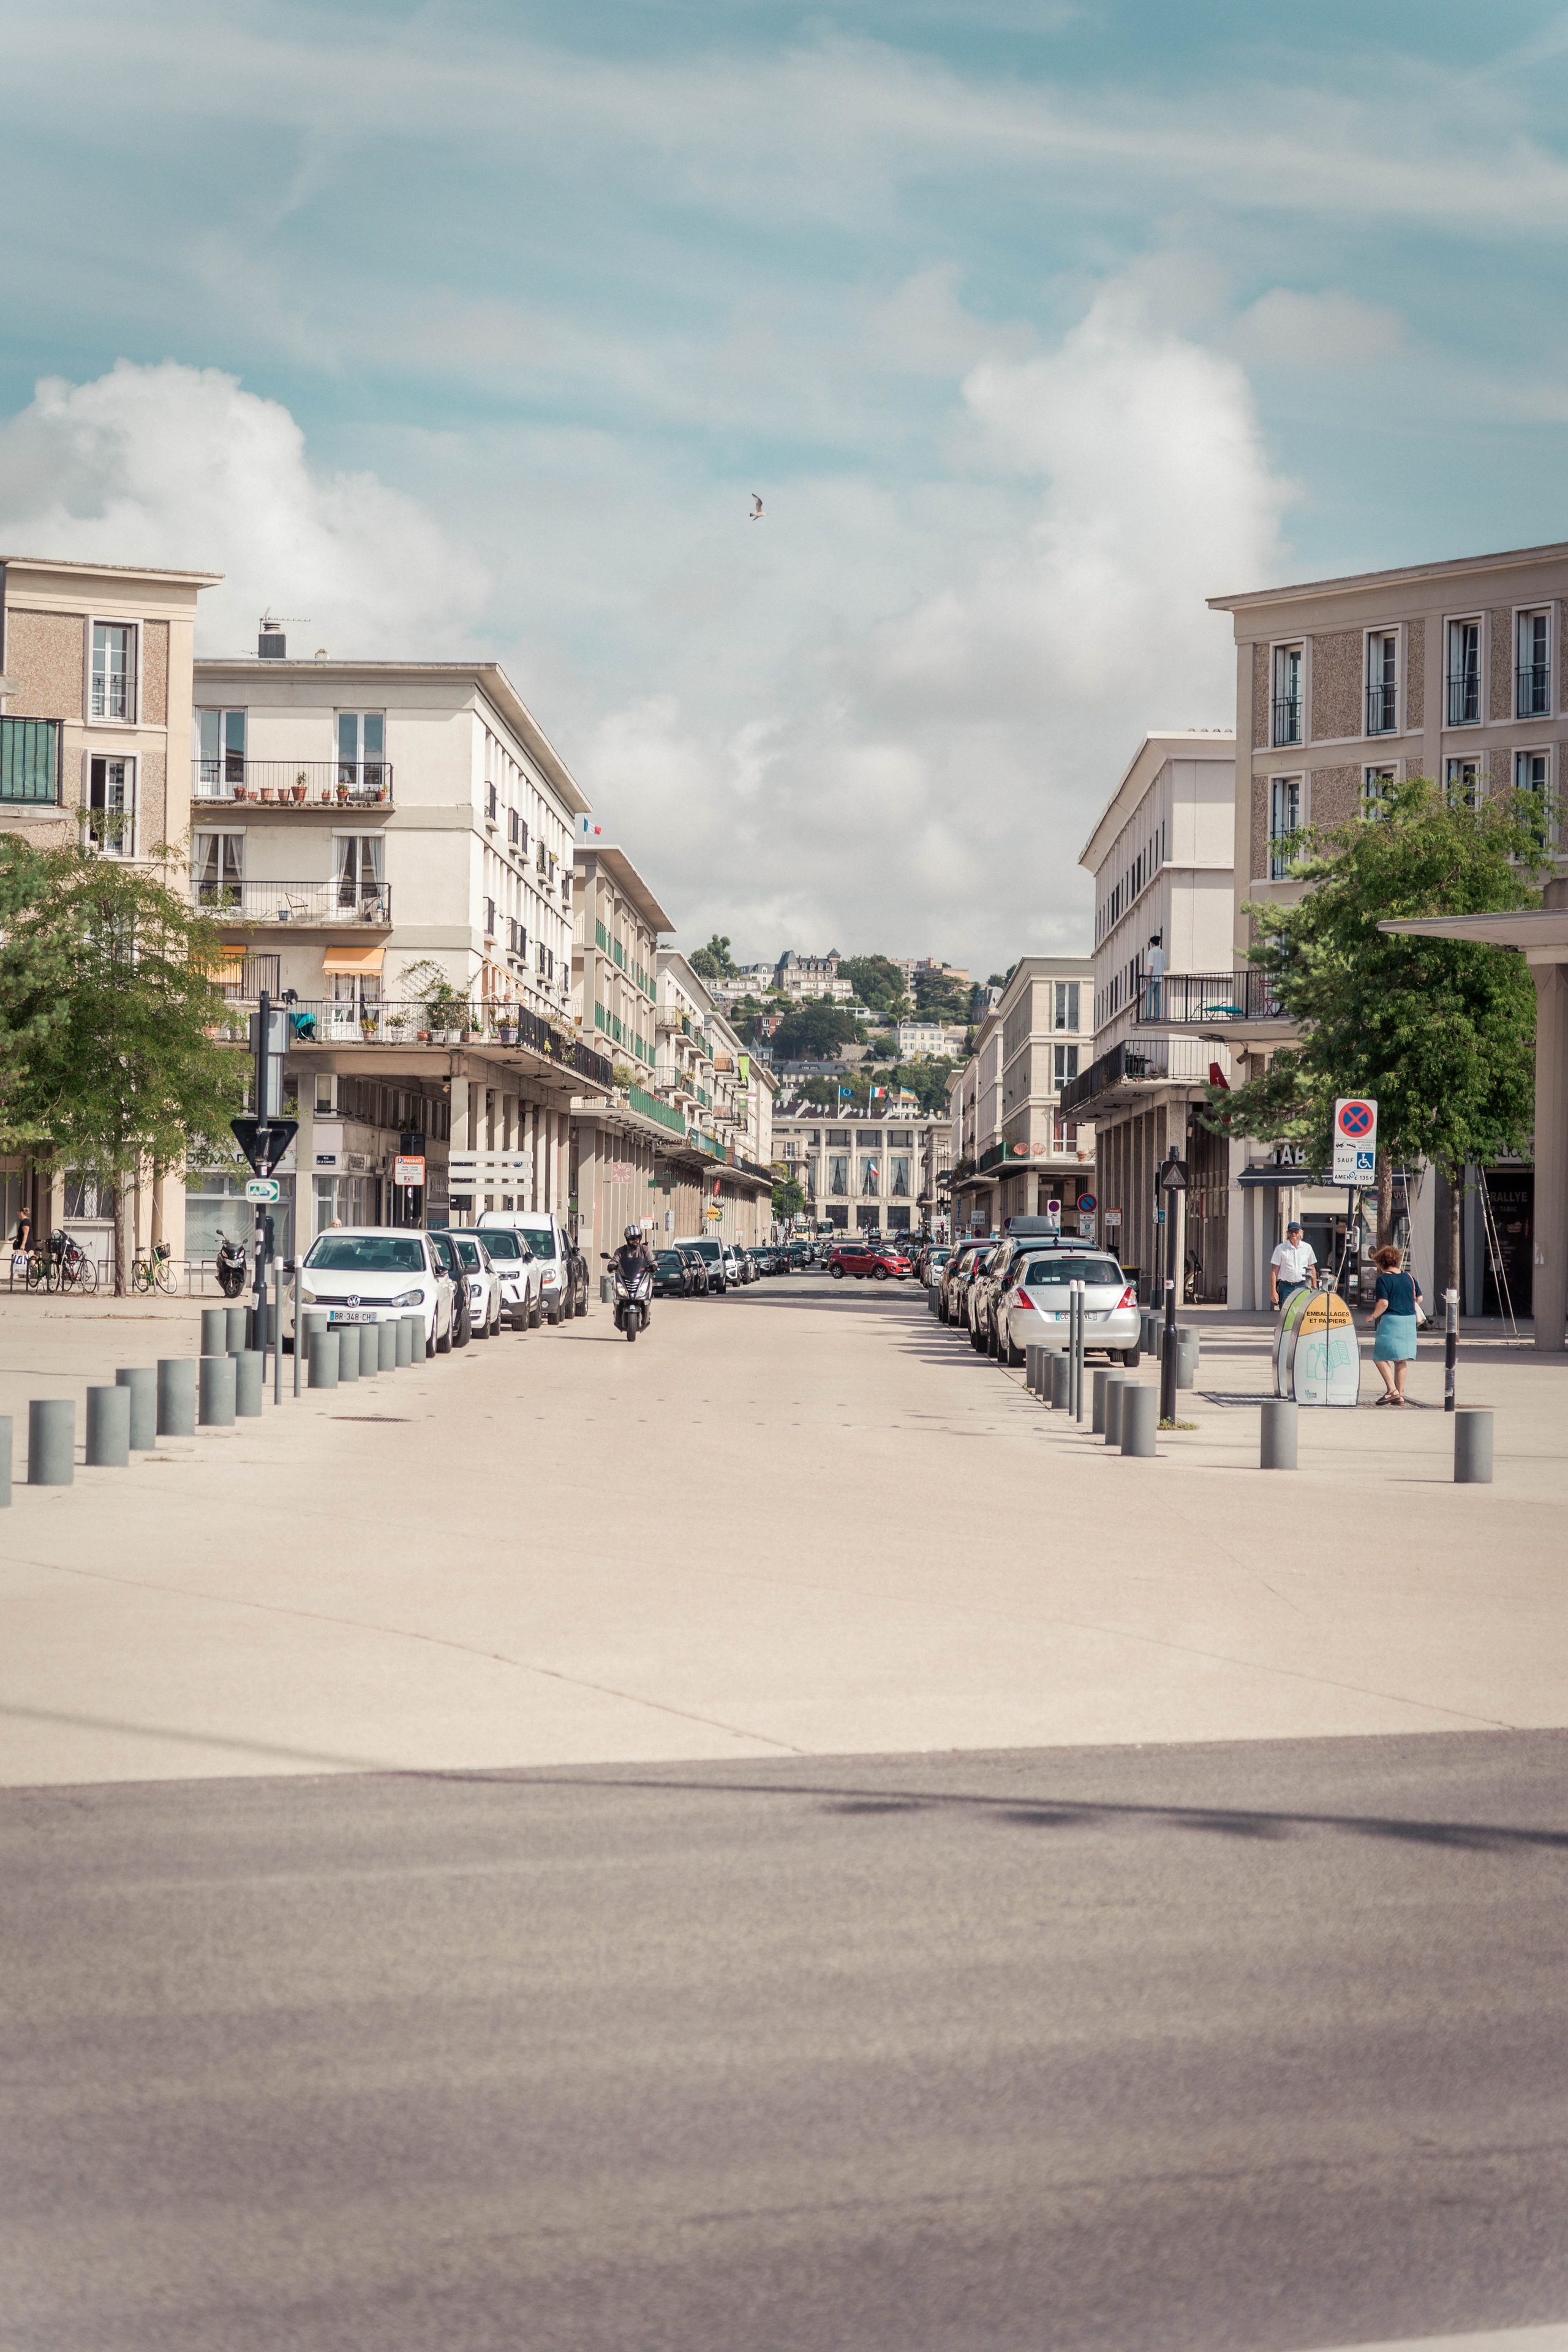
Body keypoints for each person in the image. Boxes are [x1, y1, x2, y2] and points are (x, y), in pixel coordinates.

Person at [1367, 1243, 1422, 1404]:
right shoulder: (1409, 1277)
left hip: (1392, 1320)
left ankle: (1392, 1391)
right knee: (1401, 1359)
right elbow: (1419, 1298)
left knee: (1379, 1357)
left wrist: (1373, 1316)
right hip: (1409, 1320)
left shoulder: (1383, 1280)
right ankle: (1401, 1395)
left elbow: (1384, 1303)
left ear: (1381, 1263)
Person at [1270, 1221, 1318, 1313]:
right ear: (1287, 1233)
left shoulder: (1307, 1248)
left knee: (1302, 1313)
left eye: (1296, 1231)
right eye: (1291, 1232)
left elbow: (1312, 1267)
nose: (1293, 1234)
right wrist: (1273, 1291)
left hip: (1303, 1286)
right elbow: (1275, 1271)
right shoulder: (1280, 1249)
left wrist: (1315, 1288)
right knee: (1286, 1314)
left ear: (1301, 1232)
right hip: (1286, 1287)